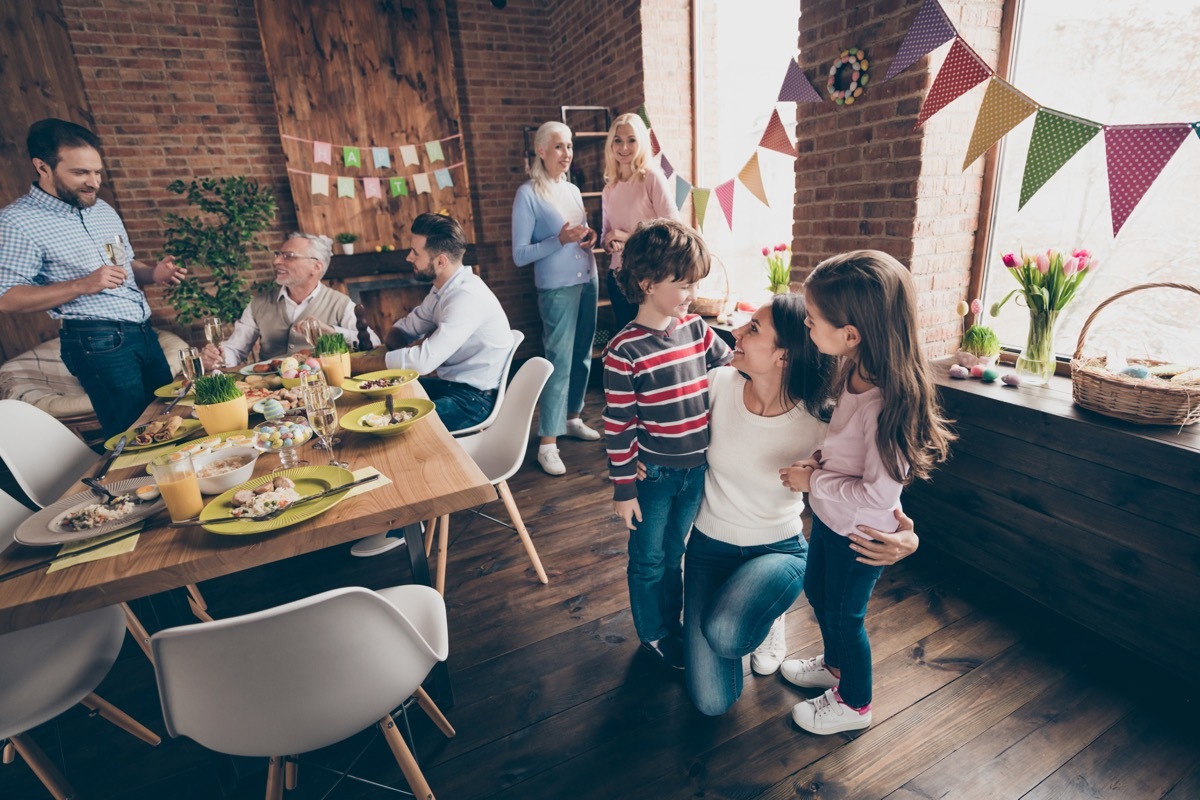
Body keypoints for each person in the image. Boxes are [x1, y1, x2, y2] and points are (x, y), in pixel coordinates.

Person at [683, 293, 919, 716]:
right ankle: (760, 614)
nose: (734, 332)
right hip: (708, 547)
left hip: (780, 550)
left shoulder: (822, 420)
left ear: (785, 358)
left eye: (753, 329)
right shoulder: (717, 385)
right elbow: (667, 425)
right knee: (711, 704)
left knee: (726, 632)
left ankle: (770, 617)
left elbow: (883, 483)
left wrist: (910, 536)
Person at [778, 250, 954, 735]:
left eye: (813, 321)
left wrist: (813, 481)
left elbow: (878, 495)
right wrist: (818, 460)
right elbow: (844, 445)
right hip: (834, 521)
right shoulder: (853, 368)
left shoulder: (887, 403)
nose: (808, 329)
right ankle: (834, 670)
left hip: (863, 536)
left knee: (845, 616)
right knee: (817, 592)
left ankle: (855, 703)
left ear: (851, 333)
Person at [0, 118, 187, 439]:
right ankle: (132, 487)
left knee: (171, 418)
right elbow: (7, 298)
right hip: (95, 342)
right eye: (80, 173)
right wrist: (83, 284)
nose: (94, 182)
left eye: (97, 172)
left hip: (142, 332)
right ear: (42, 167)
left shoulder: (101, 210)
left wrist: (153, 273)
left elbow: (124, 265)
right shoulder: (17, 222)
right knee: (134, 435)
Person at [603, 220, 731, 669]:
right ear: (647, 283)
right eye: (684, 284)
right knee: (649, 560)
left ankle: (672, 624)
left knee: (676, 552)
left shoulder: (696, 330)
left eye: (696, 283)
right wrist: (623, 487)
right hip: (653, 476)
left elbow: (731, 367)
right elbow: (617, 423)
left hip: (696, 471)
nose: (692, 294)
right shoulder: (623, 350)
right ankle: (654, 633)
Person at [348, 212, 513, 557]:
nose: (409, 257)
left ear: (439, 260)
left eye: (414, 252)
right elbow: (408, 327)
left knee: (393, 431)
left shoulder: (466, 298)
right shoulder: (443, 289)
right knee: (371, 409)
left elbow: (423, 362)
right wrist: (389, 345)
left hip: (474, 401)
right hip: (453, 388)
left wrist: (363, 363)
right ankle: (387, 514)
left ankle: (405, 522)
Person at [512, 120, 601, 477]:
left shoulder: (574, 191)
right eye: (560, 147)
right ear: (542, 151)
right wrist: (559, 242)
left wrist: (587, 236)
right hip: (557, 289)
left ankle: (573, 417)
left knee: (583, 355)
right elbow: (520, 254)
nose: (567, 154)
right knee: (558, 361)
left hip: (588, 279)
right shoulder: (528, 194)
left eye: (570, 146)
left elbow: (574, 233)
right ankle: (547, 442)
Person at [200, 232, 379, 370]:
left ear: (315, 267)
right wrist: (220, 356)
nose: (277, 261)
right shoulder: (258, 303)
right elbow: (236, 350)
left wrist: (331, 331)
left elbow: (374, 344)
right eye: (278, 254)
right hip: (269, 392)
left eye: (289, 256)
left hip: (324, 385)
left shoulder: (340, 303)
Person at [600, 112, 680, 331]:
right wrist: (609, 242)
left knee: (651, 339)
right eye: (618, 140)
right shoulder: (609, 189)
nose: (624, 147)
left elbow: (674, 230)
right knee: (626, 339)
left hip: (648, 277)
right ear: (611, 144)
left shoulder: (652, 178)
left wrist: (628, 238)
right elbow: (605, 234)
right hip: (618, 277)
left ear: (641, 143)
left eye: (631, 140)